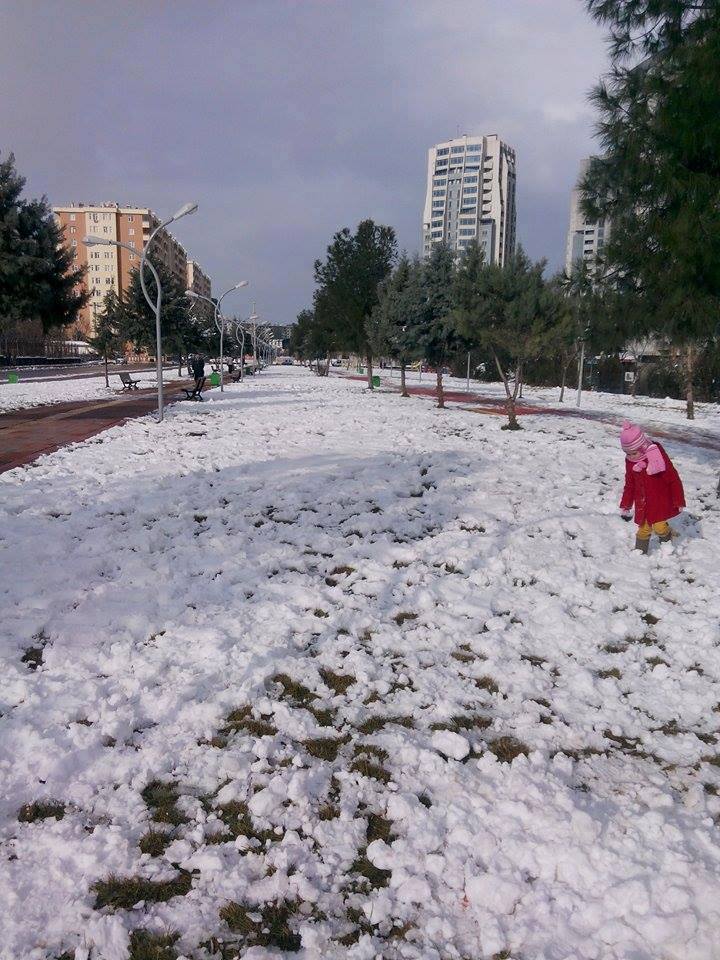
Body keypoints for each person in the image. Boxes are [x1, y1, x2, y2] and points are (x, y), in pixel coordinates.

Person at [619, 421, 685, 553]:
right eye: (627, 453)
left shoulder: (656, 456)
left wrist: (678, 500)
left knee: (659, 527)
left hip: (659, 499)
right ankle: (639, 554)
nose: (630, 457)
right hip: (642, 502)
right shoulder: (630, 461)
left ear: (643, 447)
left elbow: (672, 477)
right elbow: (630, 484)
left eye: (633, 453)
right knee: (643, 529)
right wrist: (626, 504)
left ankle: (667, 544)